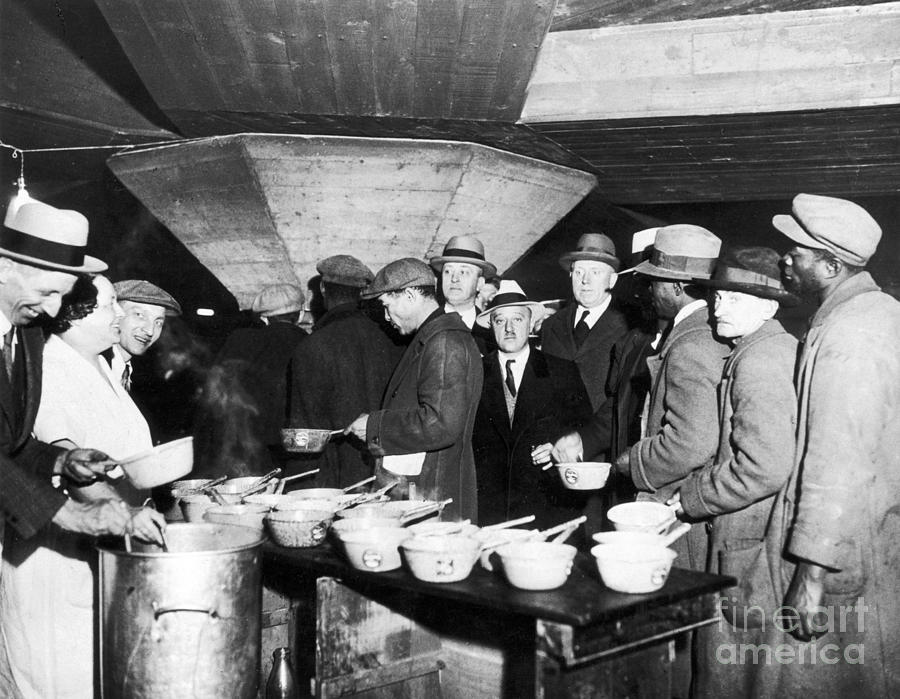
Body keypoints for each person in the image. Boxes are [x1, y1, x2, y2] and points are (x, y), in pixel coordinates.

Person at [1, 273, 165, 698]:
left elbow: (75, 455)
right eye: (112, 304)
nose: (121, 313)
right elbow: (48, 453)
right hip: (54, 556)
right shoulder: (51, 366)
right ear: (74, 315)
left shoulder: (102, 366)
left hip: (98, 548)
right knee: (59, 681)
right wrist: (125, 516)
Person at [765, 194, 900, 696]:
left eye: (796, 252)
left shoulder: (850, 337)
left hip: (844, 553)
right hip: (874, 537)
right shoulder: (880, 311)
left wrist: (812, 573)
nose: (785, 259)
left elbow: (837, 459)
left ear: (830, 264)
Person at [666, 247, 799, 698]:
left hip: (748, 542)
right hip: (754, 538)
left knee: (728, 673)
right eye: (719, 296)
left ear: (770, 306)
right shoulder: (769, 349)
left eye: (735, 299)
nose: (719, 306)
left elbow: (763, 464)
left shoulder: (759, 362)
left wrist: (691, 498)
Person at [0, 201, 151, 559]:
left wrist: (61, 461)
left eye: (62, 296)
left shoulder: (27, 335)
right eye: (46, 292)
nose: (53, 311)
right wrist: (74, 515)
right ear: (4, 268)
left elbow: (10, 444)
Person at [612, 224, 730, 571]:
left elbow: (690, 443)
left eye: (655, 281)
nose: (650, 290)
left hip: (676, 511)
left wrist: (633, 461)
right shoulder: (708, 330)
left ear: (677, 287)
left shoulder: (690, 344)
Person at [347, 258, 483, 522]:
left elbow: (441, 424)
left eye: (387, 306)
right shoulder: (431, 337)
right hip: (422, 490)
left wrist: (376, 427)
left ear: (409, 295)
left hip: (431, 497)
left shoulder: (444, 342)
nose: (386, 317)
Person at [472, 281, 591, 530]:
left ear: (531, 323)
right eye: (499, 321)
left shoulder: (562, 371)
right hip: (491, 512)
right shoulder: (473, 374)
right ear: (491, 327)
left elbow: (584, 429)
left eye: (517, 319)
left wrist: (559, 449)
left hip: (547, 508)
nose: (509, 329)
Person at [288, 255, 401, 488]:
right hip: (387, 473)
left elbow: (306, 437)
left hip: (333, 480)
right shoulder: (393, 339)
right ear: (363, 293)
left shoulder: (313, 344)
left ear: (322, 288)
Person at [540, 232, 628, 457]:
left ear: (613, 279)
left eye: (595, 272)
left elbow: (625, 399)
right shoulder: (551, 325)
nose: (585, 281)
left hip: (605, 453)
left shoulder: (631, 326)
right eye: (578, 272)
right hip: (556, 451)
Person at [211, 283, 307, 473]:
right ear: (302, 314)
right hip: (298, 450)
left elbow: (217, 392)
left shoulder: (241, 341)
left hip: (249, 449)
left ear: (263, 318)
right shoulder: (311, 343)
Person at [110, 279, 182, 393]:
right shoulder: (96, 368)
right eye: (140, 315)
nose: (150, 331)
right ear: (115, 313)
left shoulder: (124, 371)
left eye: (158, 322)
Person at [430, 235, 497, 354]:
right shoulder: (426, 324)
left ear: (479, 283)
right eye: (447, 271)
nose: (454, 279)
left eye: (464, 272)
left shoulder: (492, 333)